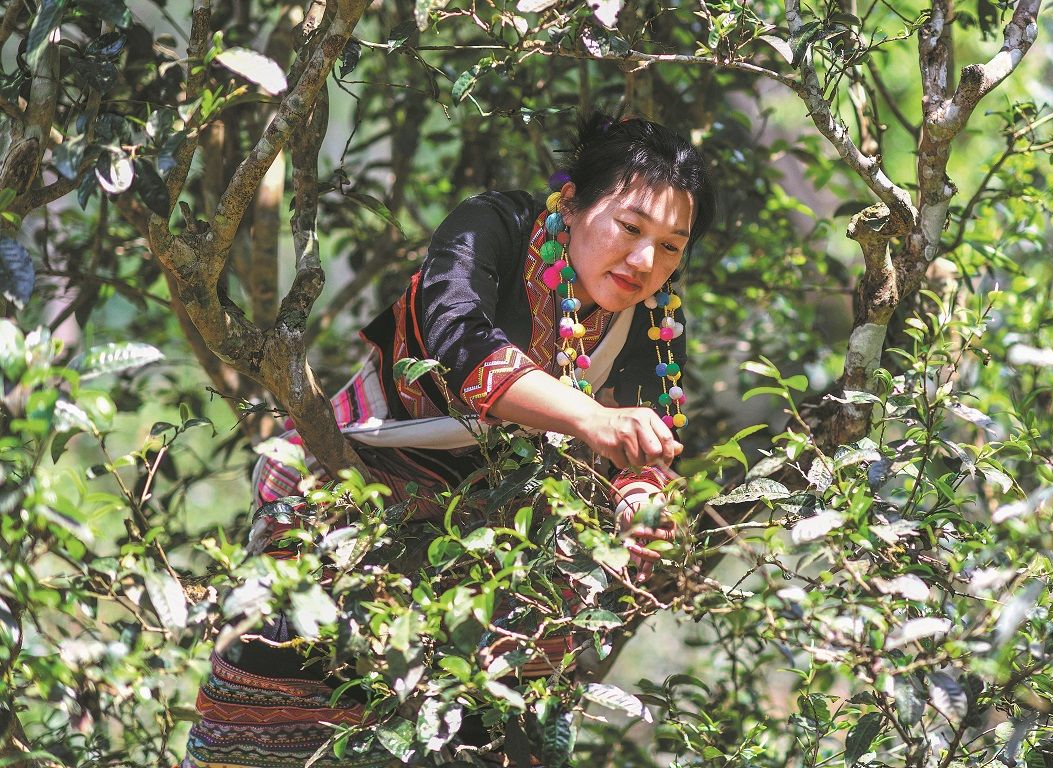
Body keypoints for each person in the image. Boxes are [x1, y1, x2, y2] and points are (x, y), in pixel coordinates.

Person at [181, 112, 716, 768]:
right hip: (356, 473)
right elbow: (462, 347)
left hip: (506, 526)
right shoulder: (494, 226)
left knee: (500, 722)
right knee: (288, 671)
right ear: (572, 204)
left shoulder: (656, 319)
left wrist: (641, 502)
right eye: (631, 228)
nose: (644, 261)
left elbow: (645, 434)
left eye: (670, 246)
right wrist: (591, 420)